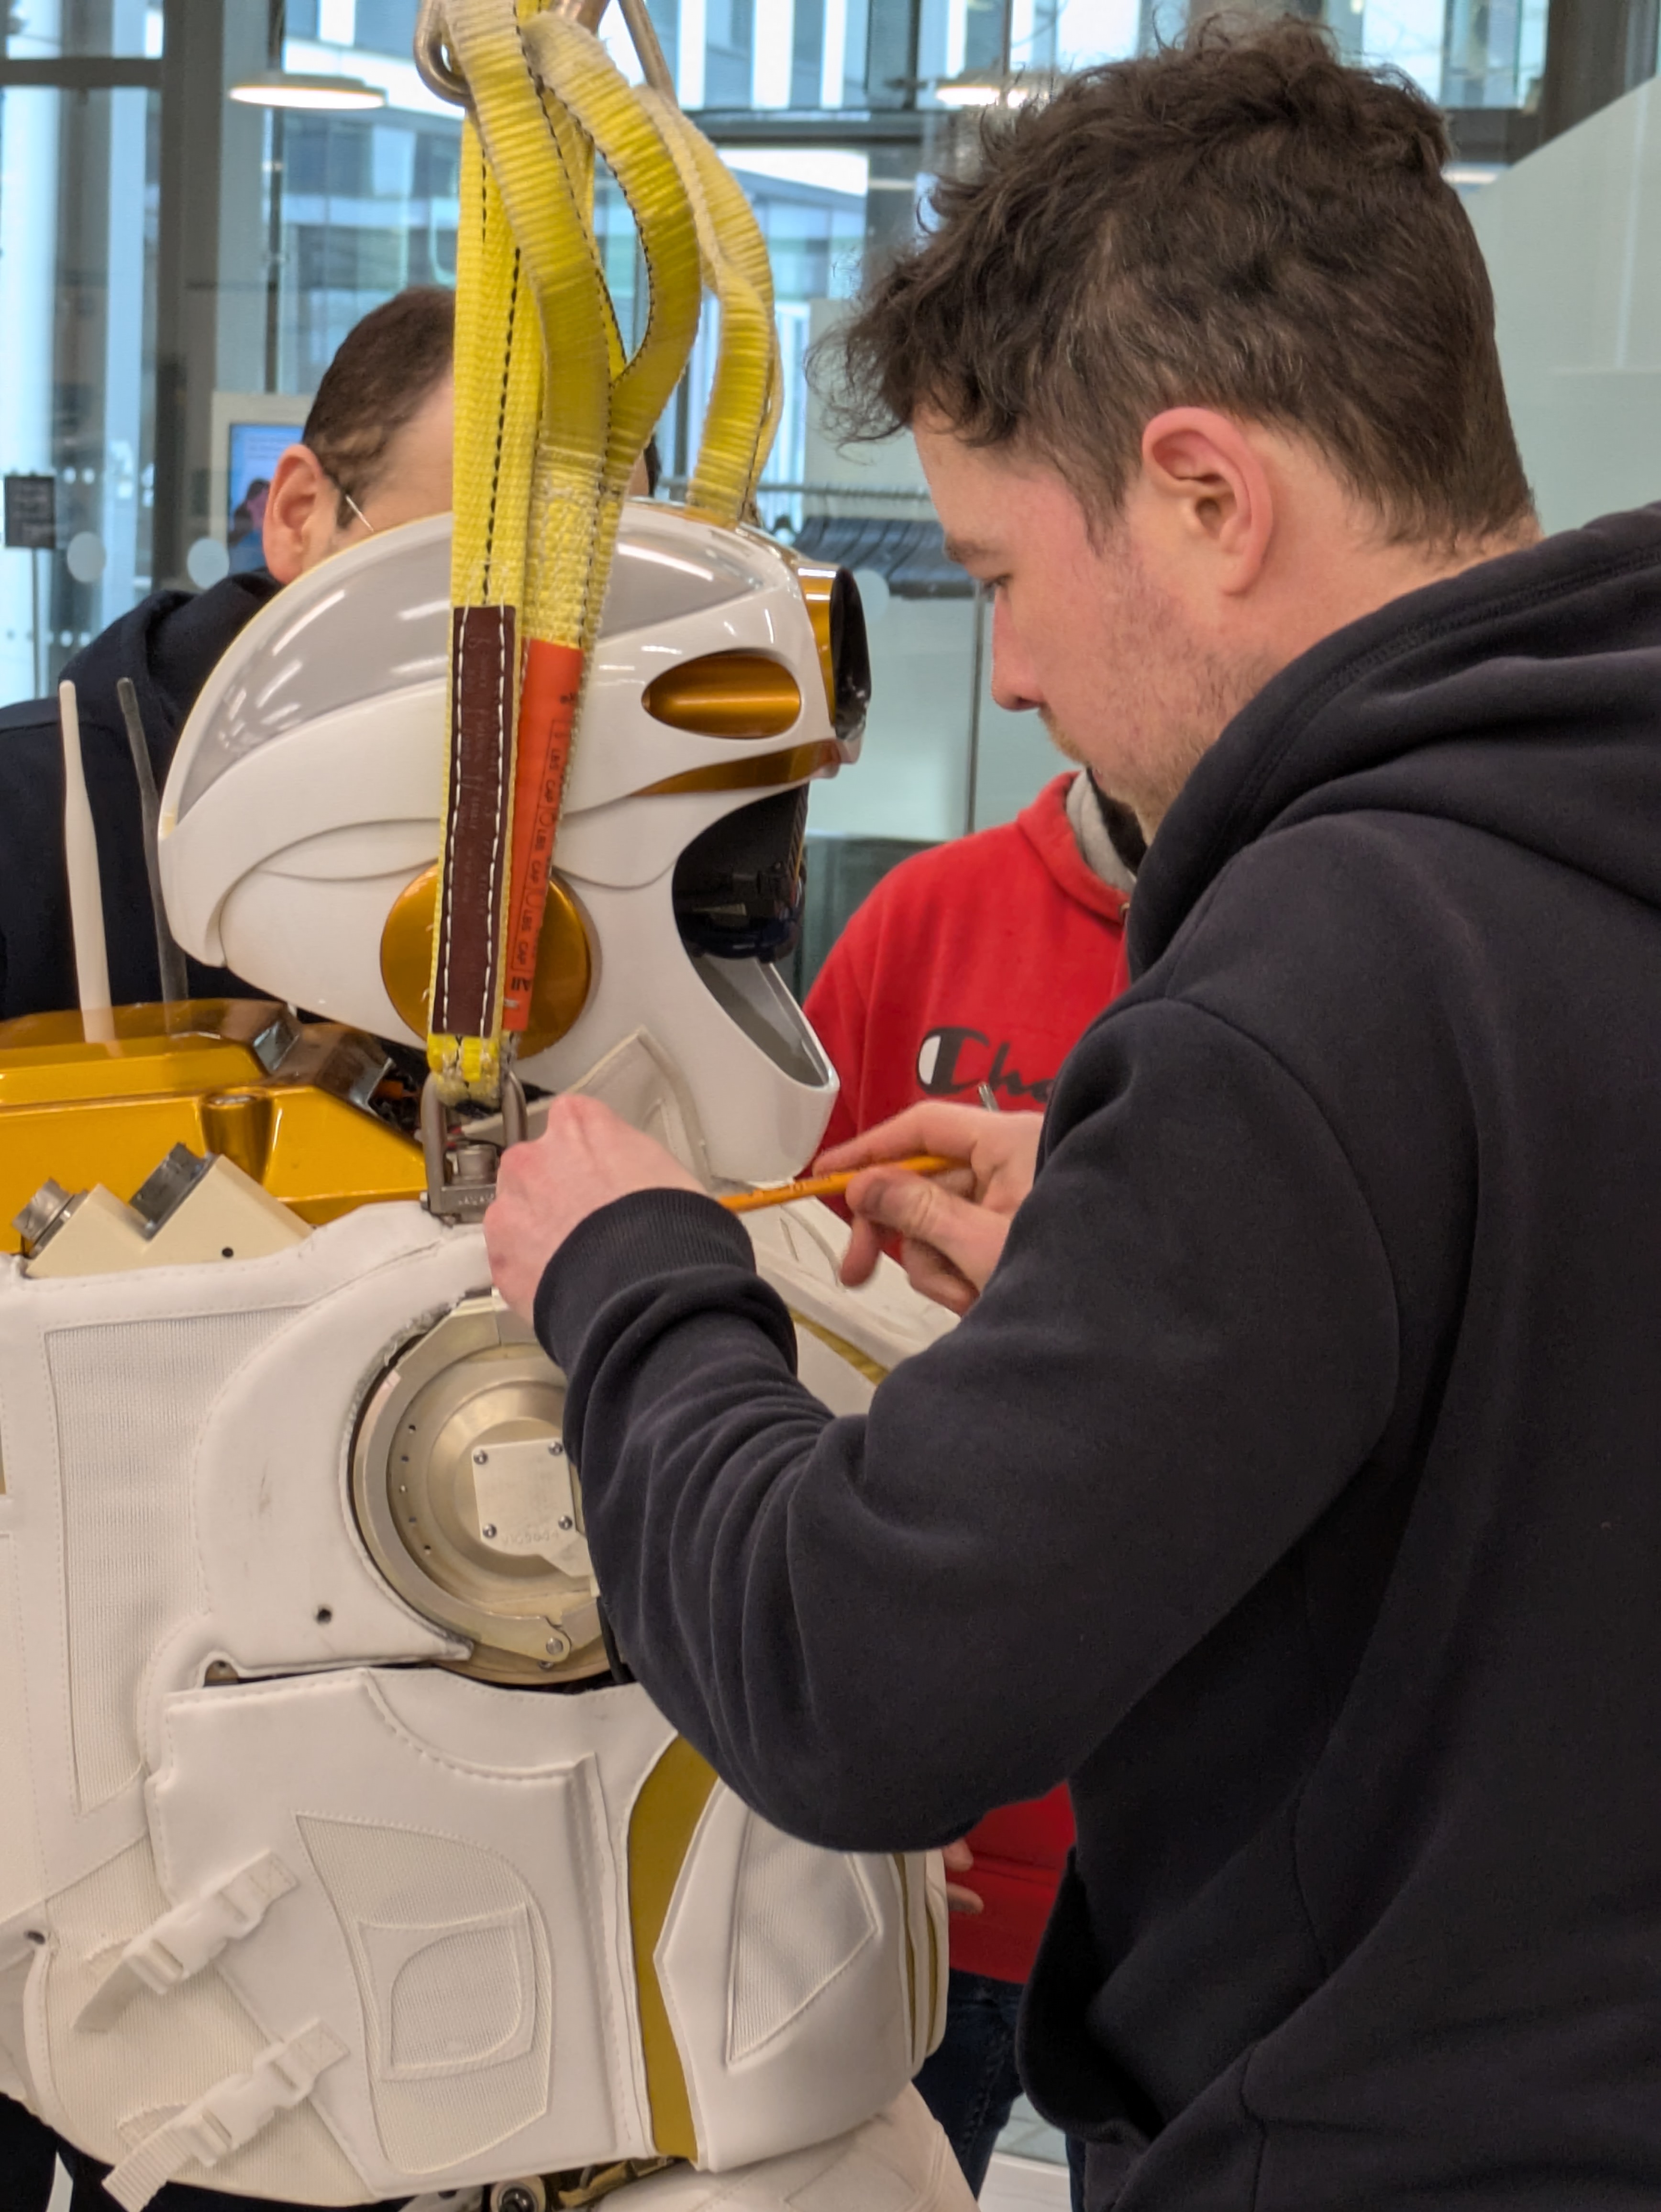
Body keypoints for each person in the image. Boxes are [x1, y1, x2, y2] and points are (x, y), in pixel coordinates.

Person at [483, 21, 1661, 2210]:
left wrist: (629, 1285)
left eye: (1006, 574)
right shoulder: (1577, 844)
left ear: (1208, 500)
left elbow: (865, 1677)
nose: (1006, 676)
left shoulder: (1322, 969)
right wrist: (1136, 1273)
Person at [802, 766, 1139, 2198]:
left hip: (1188, 1866)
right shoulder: (924, 917)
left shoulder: (1318, 942)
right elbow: (799, 1313)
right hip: (931, 1860)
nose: (1009, 680)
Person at [0, 284, 457, 1023]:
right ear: (298, 516)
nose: (528, 666)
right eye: (456, 581)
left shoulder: (617, 861)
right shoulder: (24, 828)